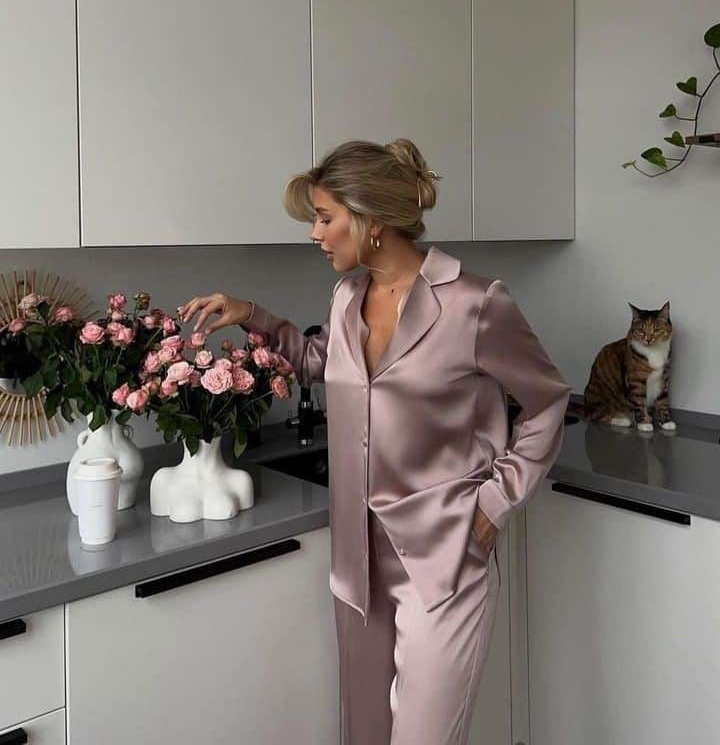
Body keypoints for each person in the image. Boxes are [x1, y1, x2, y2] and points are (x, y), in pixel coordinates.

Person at [178, 138, 572, 745]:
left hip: (444, 560)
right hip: (357, 563)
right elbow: (319, 362)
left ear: (371, 220)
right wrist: (251, 313)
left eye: (325, 218)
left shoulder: (475, 303)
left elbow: (548, 400)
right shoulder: (347, 298)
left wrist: (495, 505)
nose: (315, 234)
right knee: (363, 734)